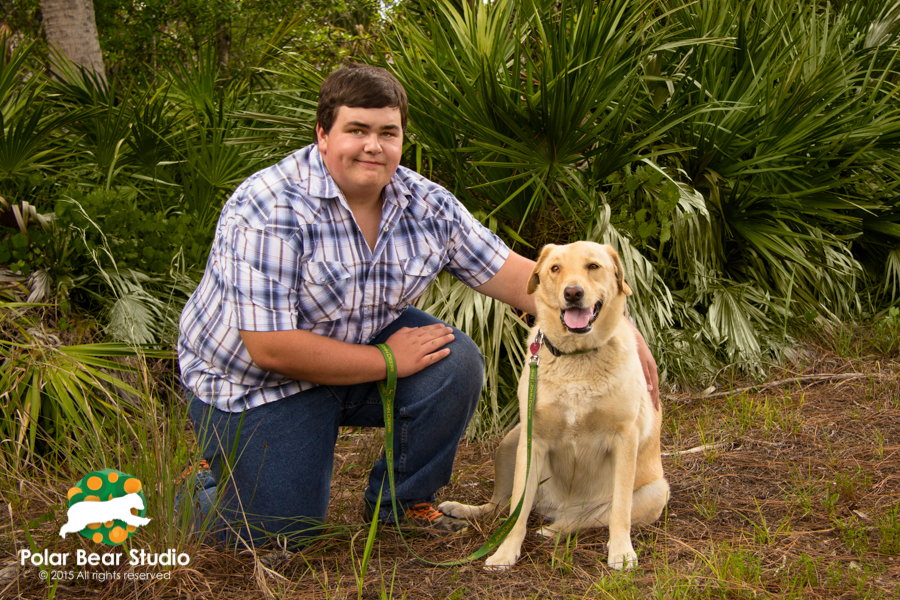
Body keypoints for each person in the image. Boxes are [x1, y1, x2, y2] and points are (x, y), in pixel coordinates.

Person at [177, 62, 659, 548]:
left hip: (354, 346)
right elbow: (271, 348)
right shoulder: (268, 207)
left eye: (389, 132)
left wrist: (620, 332)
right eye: (357, 130)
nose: (374, 145)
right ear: (322, 135)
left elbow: (521, 279)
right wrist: (388, 359)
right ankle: (199, 486)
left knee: (455, 362)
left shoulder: (426, 204)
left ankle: (399, 504)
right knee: (279, 536)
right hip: (256, 385)